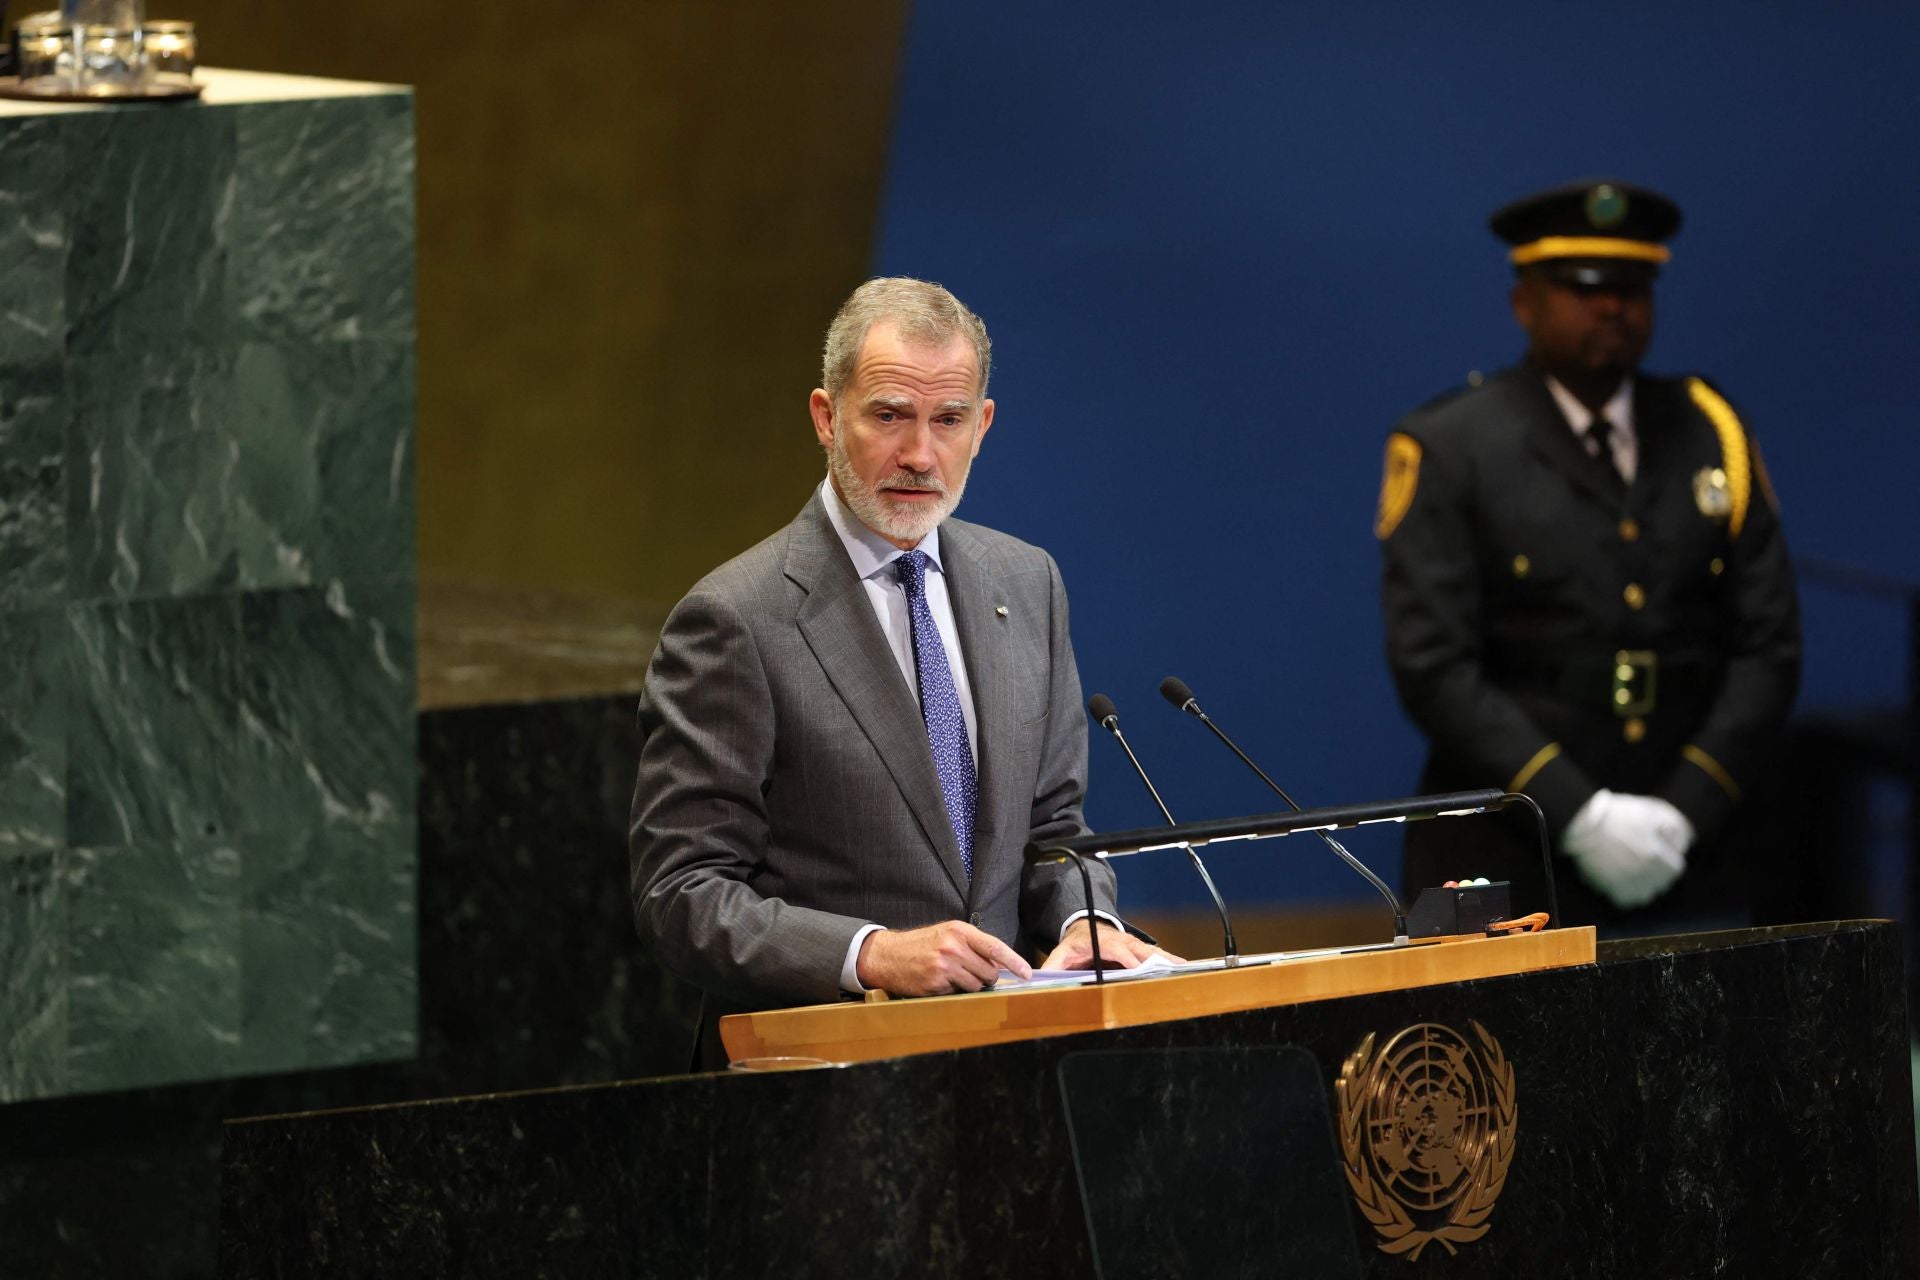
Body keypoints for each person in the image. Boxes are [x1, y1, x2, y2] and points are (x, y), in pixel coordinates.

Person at [630, 277, 1161, 1057]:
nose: (919, 454)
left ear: (981, 426)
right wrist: (871, 953)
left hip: (1011, 1066)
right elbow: (681, 895)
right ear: (826, 417)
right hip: (822, 1077)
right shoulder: (735, 619)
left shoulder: (1028, 583)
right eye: (888, 416)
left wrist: (1086, 921)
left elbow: (1053, 829)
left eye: (947, 420)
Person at [1377, 179, 1800, 931]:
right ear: (1524, 302)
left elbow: (1769, 643)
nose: (1613, 308)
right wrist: (1579, 814)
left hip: (1691, 843)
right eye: (1583, 288)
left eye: (1633, 288)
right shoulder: (1451, 443)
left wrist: (1688, 807)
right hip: (1509, 840)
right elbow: (1432, 665)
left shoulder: (1712, 429)